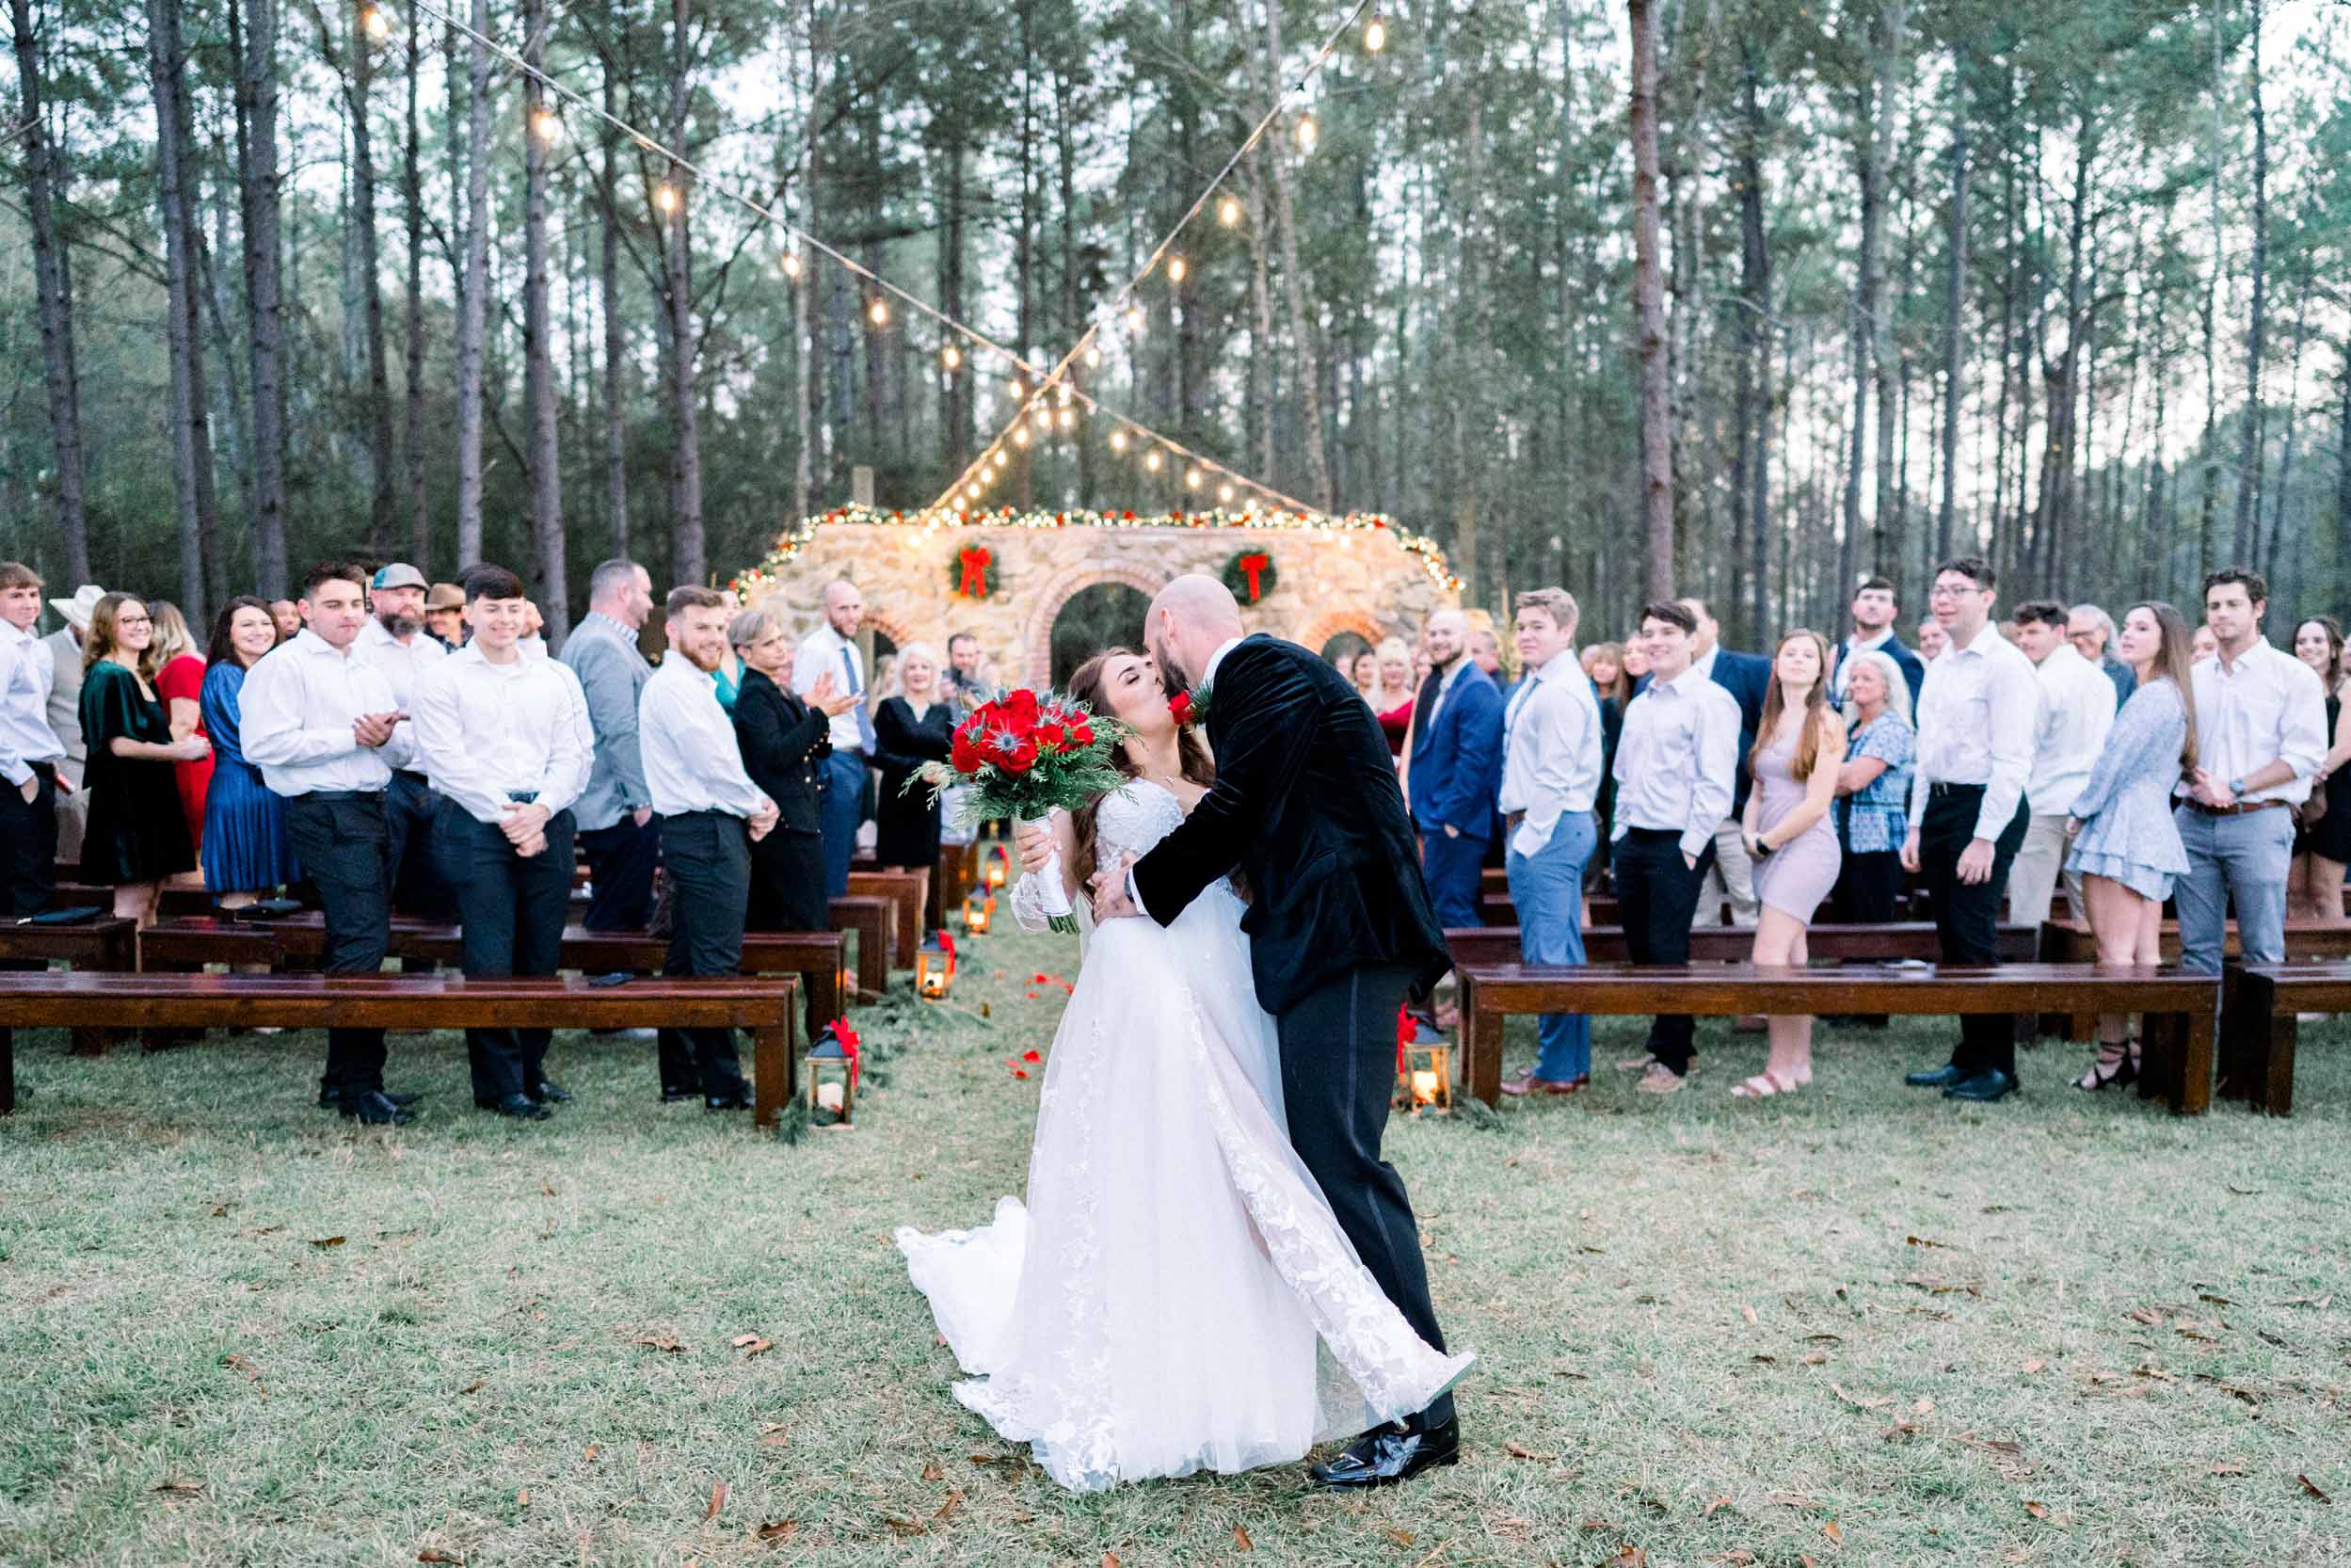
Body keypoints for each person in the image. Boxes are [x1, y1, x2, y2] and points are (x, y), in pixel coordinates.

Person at [909, 642, 1471, 1494]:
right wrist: (1037, 851)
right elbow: (1051, 905)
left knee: (1255, 1174)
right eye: (1133, 676)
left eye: (1154, 668)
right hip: (1148, 989)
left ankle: (1249, 1374)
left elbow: (1250, 854)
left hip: (1236, 982)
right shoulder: (1094, 791)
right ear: (1101, 716)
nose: (1158, 679)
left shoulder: (1222, 768)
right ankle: (1162, 1374)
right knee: (1172, 1169)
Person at [1076, 575, 1466, 1488]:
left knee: (1342, 1164)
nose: (1159, 669)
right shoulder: (1264, 681)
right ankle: (1402, 1392)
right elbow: (1267, 819)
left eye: (1150, 646)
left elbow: (1239, 804)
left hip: (1345, 940)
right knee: (1331, 1161)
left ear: (1167, 625)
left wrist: (1135, 889)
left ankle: (1420, 1414)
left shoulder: (1261, 671)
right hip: (1327, 943)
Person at [411, 566, 594, 1120]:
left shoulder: (555, 676)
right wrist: (507, 817)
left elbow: (578, 754)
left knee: (540, 951)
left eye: (513, 608)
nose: (504, 619)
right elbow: (446, 760)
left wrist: (539, 811)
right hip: (474, 823)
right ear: (468, 614)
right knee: (490, 954)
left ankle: (532, 1071)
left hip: (548, 817)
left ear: (527, 613)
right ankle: (498, 1084)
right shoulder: (445, 679)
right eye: (491, 608)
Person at [240, 562, 420, 1126]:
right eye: (335, 604)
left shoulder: (365, 665)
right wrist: (351, 737)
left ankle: (342, 1080)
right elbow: (262, 745)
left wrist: (386, 739)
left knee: (362, 938)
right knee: (362, 942)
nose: (349, 615)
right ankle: (360, 1089)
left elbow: (401, 749)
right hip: (326, 813)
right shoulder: (283, 666)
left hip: (374, 809)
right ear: (305, 609)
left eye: (357, 604)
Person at [1899, 556, 2038, 1103]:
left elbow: (2012, 760)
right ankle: (1969, 1056)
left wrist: (1984, 837)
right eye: (1938, 589)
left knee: (1976, 934)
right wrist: (1915, 825)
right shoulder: (1941, 664)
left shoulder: (2005, 665)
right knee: (1953, 939)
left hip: (1986, 809)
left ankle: (1998, 1068)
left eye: (1959, 589)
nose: (1945, 598)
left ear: (1987, 598)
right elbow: (1924, 756)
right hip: (1939, 806)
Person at [640, 585, 780, 1109]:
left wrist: (749, 803)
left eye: (720, 628)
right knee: (716, 960)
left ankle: (681, 1074)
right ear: (672, 630)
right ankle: (723, 1085)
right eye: (702, 628)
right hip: (705, 831)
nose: (714, 637)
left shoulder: (699, 683)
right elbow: (710, 764)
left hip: (704, 828)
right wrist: (758, 805)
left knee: (684, 958)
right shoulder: (674, 688)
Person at [2172, 568, 2328, 985]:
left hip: (2259, 820)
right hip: (2192, 819)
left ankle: (2257, 1050)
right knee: (2196, 950)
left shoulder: (2292, 675)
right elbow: (2178, 744)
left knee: (2261, 948)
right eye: (2214, 606)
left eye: (2233, 604)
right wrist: (2195, 777)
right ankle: (2202, 1047)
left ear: (2258, 608)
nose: (2222, 614)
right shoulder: (2193, 676)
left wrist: (2234, 786)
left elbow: (2304, 757)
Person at [2064, 602, 2197, 1091]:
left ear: (2167, 640)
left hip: (2123, 827)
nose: (2128, 633)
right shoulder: (2171, 695)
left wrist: (2083, 808)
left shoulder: (2152, 698)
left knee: (2115, 956)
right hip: (2151, 827)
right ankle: (2137, 1054)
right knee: (2142, 956)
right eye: (2127, 625)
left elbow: (2114, 762)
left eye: (2142, 628)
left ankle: (2113, 1058)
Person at [1609, 601, 1741, 1095]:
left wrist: (1690, 847)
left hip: (1677, 842)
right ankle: (1670, 1040)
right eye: (1648, 633)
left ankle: (1671, 1060)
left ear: (1691, 640)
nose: (1656, 641)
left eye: (1667, 632)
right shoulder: (1642, 701)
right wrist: (1620, 835)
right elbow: (1623, 774)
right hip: (1635, 840)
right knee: (1642, 947)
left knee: (1667, 949)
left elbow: (1715, 782)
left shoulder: (1711, 700)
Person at [1495, 589, 1603, 1096]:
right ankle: (1568, 1063)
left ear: (1566, 632)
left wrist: (1527, 842)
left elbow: (1556, 776)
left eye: (1539, 626)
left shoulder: (1560, 691)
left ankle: (1556, 1070)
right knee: (1563, 949)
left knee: (1549, 954)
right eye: (1521, 627)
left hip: (1550, 830)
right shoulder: (1540, 683)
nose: (1526, 635)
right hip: (1548, 827)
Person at [1732, 631, 1848, 1098]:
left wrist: (1766, 841)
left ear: (1821, 670)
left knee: (1768, 957)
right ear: (1776, 665)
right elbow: (1759, 790)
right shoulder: (1771, 720)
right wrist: (1747, 833)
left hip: (1807, 848)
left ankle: (1777, 1068)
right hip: (1767, 847)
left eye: (1809, 656)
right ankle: (1799, 1065)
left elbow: (1818, 803)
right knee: (1794, 960)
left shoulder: (1827, 722)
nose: (1798, 661)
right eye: (1789, 654)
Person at [76, 594, 206, 923]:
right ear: (107, 627)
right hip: (128, 802)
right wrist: (180, 751)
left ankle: (145, 974)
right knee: (132, 905)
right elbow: (119, 745)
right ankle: (125, 974)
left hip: (152, 798)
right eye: (128, 620)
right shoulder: (110, 675)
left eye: (143, 619)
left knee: (151, 900)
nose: (140, 626)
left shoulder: (136, 674)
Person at [731, 607, 852, 936]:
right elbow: (776, 753)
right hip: (784, 822)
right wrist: (820, 715)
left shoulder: (775, 690)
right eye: (769, 643)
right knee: (807, 917)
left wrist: (817, 715)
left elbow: (814, 747)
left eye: (781, 639)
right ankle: (819, 985)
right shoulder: (755, 696)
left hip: (800, 815)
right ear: (745, 651)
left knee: (804, 910)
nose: (781, 647)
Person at [562, 559, 661, 931]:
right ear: (624, 592)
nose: (651, 603)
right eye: (647, 592)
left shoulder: (607, 640)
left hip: (616, 802)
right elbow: (619, 729)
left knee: (626, 911)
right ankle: (607, 984)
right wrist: (642, 799)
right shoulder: (602, 645)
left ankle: (614, 983)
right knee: (617, 917)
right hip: (616, 806)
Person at [2007, 600, 2115, 930]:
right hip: (2087, 804)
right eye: (2021, 633)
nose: (2024, 640)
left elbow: (2024, 747)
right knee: (2089, 908)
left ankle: (2024, 979)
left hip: (2043, 801)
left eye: (2033, 632)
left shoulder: (2041, 682)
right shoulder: (2101, 679)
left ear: (2059, 632)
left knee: (2029, 906)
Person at [352, 562, 451, 920]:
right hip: (384, 780)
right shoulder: (360, 647)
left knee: (432, 893)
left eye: (416, 594)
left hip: (434, 781)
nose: (409, 602)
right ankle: (370, 976)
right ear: (374, 598)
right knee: (379, 886)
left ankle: (421, 975)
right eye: (399, 593)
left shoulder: (433, 651)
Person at [1676, 597, 1773, 930]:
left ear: (1714, 627)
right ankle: (1707, 981)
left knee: (1749, 903)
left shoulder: (1752, 669)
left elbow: (1771, 732)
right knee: (1698, 911)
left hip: (1739, 810)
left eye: (1694, 621)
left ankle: (1757, 980)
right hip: (1685, 815)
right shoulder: (1661, 681)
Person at [1405, 609, 1503, 928]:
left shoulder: (1477, 687)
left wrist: (1452, 820)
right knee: (1443, 909)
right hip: (1438, 821)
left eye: (1446, 633)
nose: (1438, 640)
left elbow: (1475, 762)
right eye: (1432, 634)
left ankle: (1471, 979)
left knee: (1455, 913)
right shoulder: (1442, 683)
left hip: (1458, 824)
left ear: (1465, 636)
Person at [199, 598, 300, 906]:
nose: (260, 631)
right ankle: (244, 954)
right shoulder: (225, 674)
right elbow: (246, 737)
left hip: (267, 790)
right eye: (247, 624)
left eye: (266, 623)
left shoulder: (264, 673)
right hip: (241, 789)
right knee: (242, 890)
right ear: (228, 634)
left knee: (264, 893)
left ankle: (258, 957)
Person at [793, 578, 873, 897]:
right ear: (826, 611)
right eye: (843, 608)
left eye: (856, 606)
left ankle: (832, 921)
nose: (852, 615)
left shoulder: (851, 650)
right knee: (832, 853)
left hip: (856, 757)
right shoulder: (815, 650)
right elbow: (805, 705)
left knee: (844, 852)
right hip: (832, 760)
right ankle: (823, 929)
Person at [1830, 649, 1916, 922]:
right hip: (1841, 839)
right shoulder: (1849, 727)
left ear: (1887, 687)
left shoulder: (1892, 729)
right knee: (1844, 924)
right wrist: (1834, 776)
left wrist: (1820, 775)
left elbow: (1854, 780)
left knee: (1869, 926)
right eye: (1854, 678)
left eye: (1867, 678)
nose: (1857, 684)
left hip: (1876, 843)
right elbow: (1840, 778)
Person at [0, 562, 67, 916]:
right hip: (12, 776)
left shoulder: (33, 645)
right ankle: (21, 972)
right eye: (15, 595)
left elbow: (29, 715)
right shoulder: (4, 646)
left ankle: (26, 969)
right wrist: (21, 774)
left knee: (34, 876)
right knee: (26, 882)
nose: (28, 603)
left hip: (34, 768)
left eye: (33, 594)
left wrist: (47, 764)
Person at [872, 642, 956, 873]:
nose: (918, 672)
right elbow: (877, 754)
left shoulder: (943, 712)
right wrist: (919, 767)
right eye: (912, 667)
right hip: (895, 799)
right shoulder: (889, 707)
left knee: (922, 870)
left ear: (933, 673)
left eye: (924, 667)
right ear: (902, 673)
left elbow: (952, 758)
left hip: (928, 802)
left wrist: (947, 774)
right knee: (895, 871)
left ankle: (919, 913)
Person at [2288, 616, 2351, 923]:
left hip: (2335, 797)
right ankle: (2297, 970)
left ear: (2333, 648)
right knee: (2294, 891)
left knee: (2325, 891)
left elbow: (2345, 747)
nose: (2308, 647)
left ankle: (2335, 969)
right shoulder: (2286, 687)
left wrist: (2304, 778)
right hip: (2288, 799)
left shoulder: (2346, 688)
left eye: (2317, 641)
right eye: (2302, 641)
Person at [147, 600, 212, 861]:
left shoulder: (182, 665)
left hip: (189, 768)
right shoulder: (176, 665)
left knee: (191, 858)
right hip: (182, 764)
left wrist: (150, 763)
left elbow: (183, 725)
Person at [43, 584, 101, 865]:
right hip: (67, 760)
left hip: (109, 757)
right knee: (73, 828)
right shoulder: (47, 651)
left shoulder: (114, 649)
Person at [1830, 576, 1926, 710]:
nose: (1873, 605)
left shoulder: (1906, 661)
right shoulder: (1840, 652)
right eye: (1867, 598)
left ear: (1893, 612)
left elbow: (1909, 717)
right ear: (1854, 607)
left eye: (1882, 599)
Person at [2068, 603, 2135, 708]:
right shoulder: (2058, 673)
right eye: (2073, 635)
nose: (2079, 641)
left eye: (2086, 634)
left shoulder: (2126, 674)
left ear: (2105, 633)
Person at [1369, 637, 1416, 758]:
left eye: (1399, 665)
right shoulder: (1370, 701)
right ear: (1380, 669)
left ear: (1406, 668)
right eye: (1388, 665)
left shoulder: (1416, 702)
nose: (1393, 670)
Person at [944, 631, 995, 710]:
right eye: (960, 655)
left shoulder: (986, 677)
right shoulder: (942, 679)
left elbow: (994, 714)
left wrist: (969, 699)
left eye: (970, 655)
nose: (965, 660)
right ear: (949, 654)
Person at [424, 583, 466, 649]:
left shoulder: (477, 643)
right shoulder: (424, 648)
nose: (434, 619)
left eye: (442, 613)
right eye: (431, 613)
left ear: (462, 614)